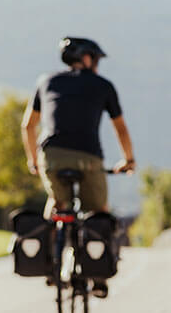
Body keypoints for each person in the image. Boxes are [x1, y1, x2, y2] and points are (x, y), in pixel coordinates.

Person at [21, 36, 135, 294]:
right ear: (86, 58)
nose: (97, 65)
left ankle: (50, 261)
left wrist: (33, 161)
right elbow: (120, 128)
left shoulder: (46, 81)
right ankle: (99, 276)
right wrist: (128, 160)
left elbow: (28, 125)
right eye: (96, 60)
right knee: (98, 211)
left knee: (57, 202)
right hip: (89, 158)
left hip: (51, 156)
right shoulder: (103, 85)